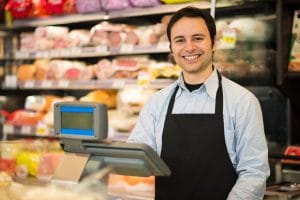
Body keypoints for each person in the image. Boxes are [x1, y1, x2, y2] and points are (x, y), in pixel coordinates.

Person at [127, 6, 270, 200]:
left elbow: (254, 173)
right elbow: (136, 162)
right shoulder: (157, 103)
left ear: (213, 43)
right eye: (180, 40)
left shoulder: (242, 102)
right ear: (171, 49)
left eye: (198, 38)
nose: (189, 47)